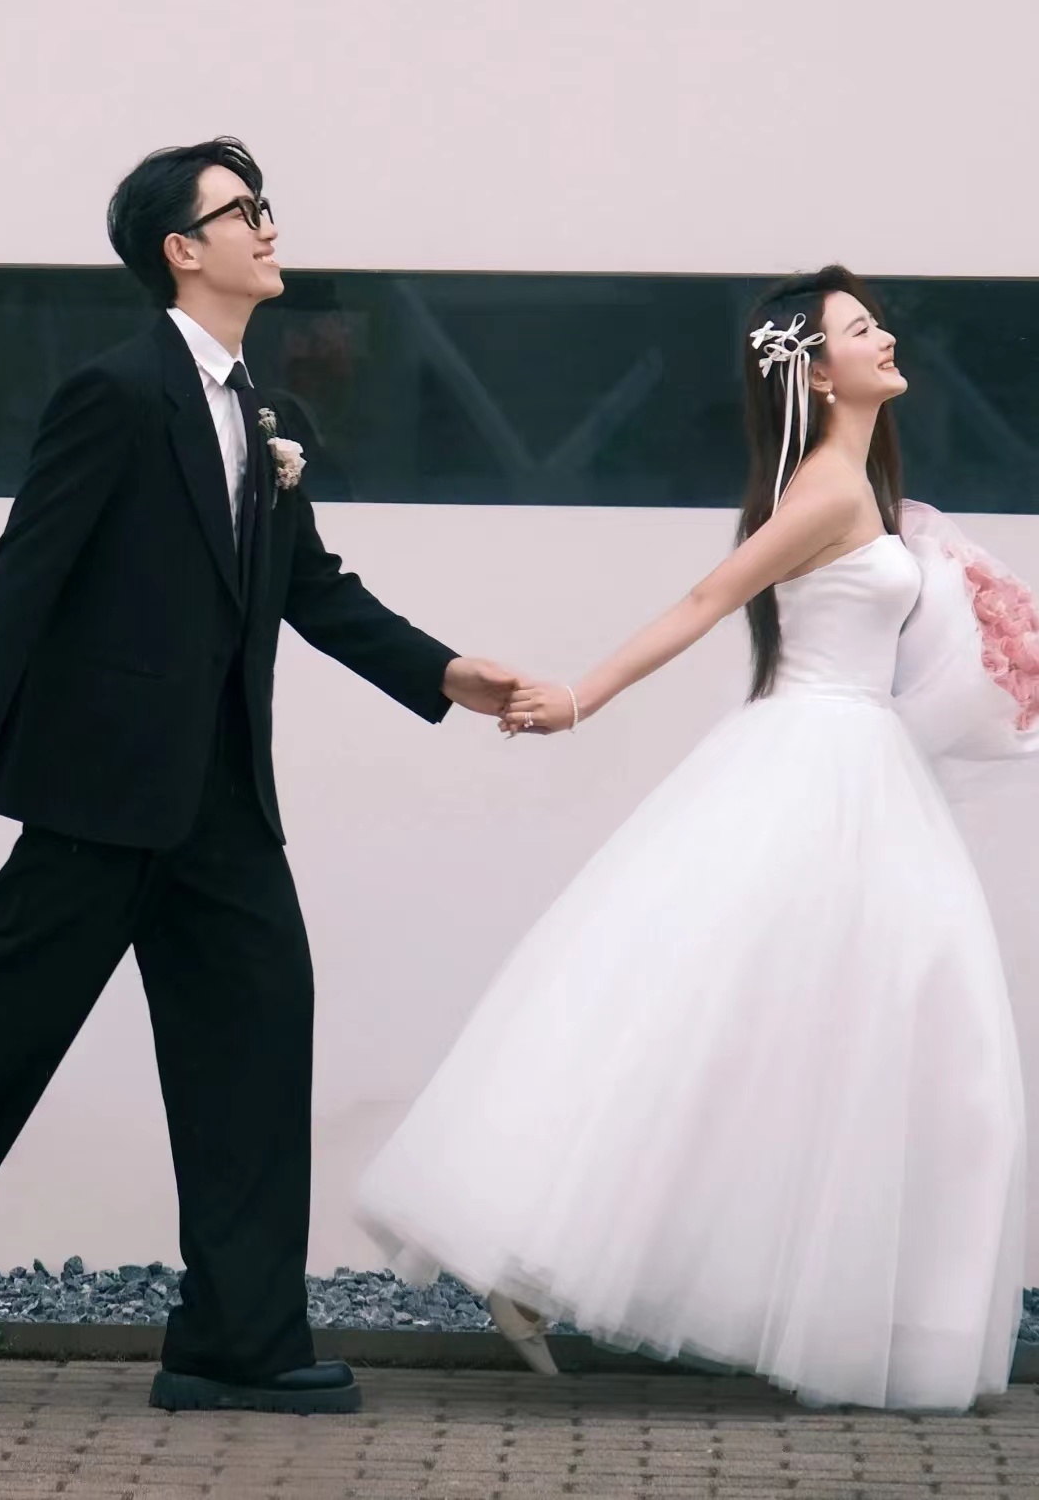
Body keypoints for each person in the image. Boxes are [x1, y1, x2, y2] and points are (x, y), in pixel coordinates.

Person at [0, 138, 517, 1414]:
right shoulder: (113, 391)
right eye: (242, 209)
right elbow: (27, 566)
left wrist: (443, 673)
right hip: (98, 794)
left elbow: (309, 586)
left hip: (222, 803)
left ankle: (235, 1336)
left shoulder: (267, 414)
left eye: (264, 206)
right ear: (181, 247)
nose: (268, 225)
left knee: (256, 1041)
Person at [357, 268, 1028, 1413]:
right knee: (765, 1027)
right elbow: (707, 598)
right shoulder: (825, 487)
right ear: (817, 373)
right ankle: (535, 1247)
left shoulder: (858, 486)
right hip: (818, 764)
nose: (885, 336)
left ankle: (811, 1299)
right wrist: (580, 695)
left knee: (806, 1037)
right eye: (858, 328)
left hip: (857, 764)